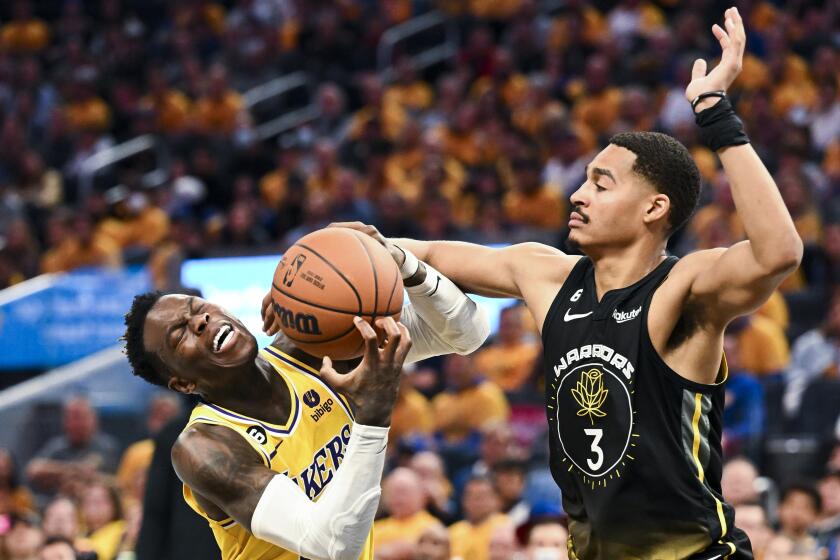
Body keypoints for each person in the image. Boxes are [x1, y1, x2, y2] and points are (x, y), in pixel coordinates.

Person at [335, 8, 802, 558]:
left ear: (655, 208)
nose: (578, 195)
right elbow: (429, 252)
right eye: (583, 180)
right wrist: (342, 248)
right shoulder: (546, 274)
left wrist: (714, 113)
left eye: (600, 185)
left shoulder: (684, 288)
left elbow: (779, 252)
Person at [122, 243, 489, 560]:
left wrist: (399, 260)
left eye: (197, 307)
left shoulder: (312, 350)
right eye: (178, 335)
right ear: (183, 383)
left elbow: (465, 332)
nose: (199, 321)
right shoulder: (204, 447)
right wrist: (372, 415)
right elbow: (331, 544)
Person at [27, 396, 120, 496]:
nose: (75, 424)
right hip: (60, 505)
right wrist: (73, 469)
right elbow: (34, 469)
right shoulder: (58, 446)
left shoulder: (107, 446)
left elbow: (117, 482)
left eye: (80, 418)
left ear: (93, 420)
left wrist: (89, 478)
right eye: (71, 418)